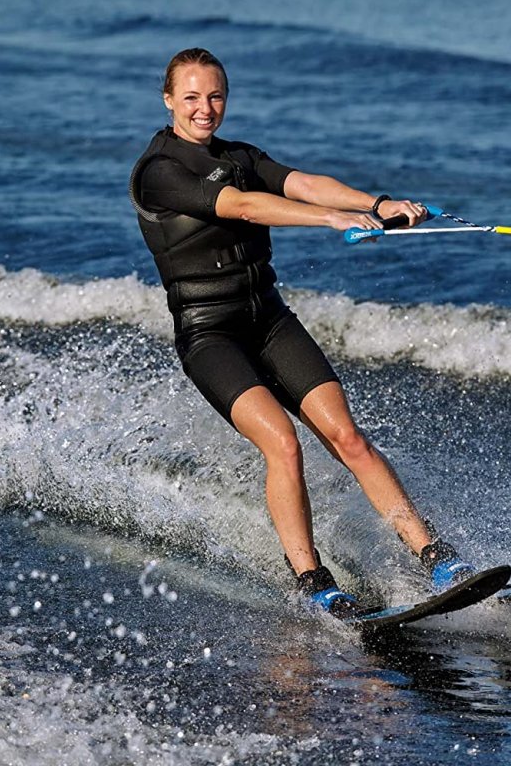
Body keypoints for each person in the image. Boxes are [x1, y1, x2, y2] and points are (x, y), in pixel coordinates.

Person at [129, 48, 476, 617]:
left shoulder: (239, 154)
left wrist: (376, 202)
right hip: (210, 335)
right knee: (283, 443)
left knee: (347, 437)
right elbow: (242, 206)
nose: (204, 108)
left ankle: (435, 555)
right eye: (191, 97)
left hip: (268, 320)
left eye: (215, 95)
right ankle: (312, 579)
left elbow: (302, 183)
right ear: (168, 99)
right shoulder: (159, 171)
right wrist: (333, 221)